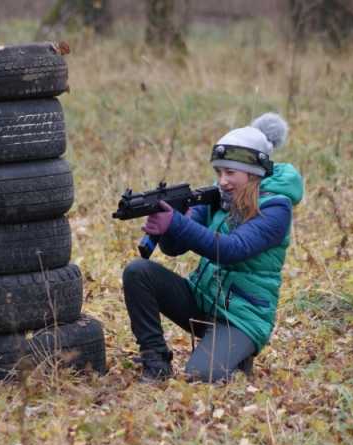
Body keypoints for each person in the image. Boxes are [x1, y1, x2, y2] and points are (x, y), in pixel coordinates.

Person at [121, 112, 304, 382]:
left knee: (200, 375)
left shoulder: (276, 207)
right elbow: (175, 249)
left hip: (242, 316)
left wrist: (176, 223)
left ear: (253, 173)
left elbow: (231, 250)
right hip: (202, 299)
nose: (222, 180)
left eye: (230, 172)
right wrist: (170, 224)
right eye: (219, 171)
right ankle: (156, 360)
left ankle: (237, 355)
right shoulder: (218, 198)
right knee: (138, 272)